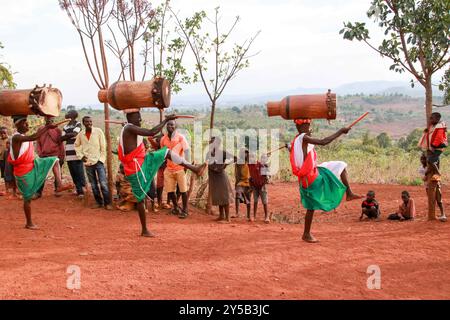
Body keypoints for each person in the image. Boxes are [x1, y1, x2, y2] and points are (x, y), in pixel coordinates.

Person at [118, 111, 206, 237]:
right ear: (131, 117)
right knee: (140, 199)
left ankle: (194, 168)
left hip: (142, 161)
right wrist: (166, 120)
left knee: (166, 152)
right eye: (138, 117)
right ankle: (144, 230)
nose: (140, 119)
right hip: (135, 169)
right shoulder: (129, 128)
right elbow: (151, 132)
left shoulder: (130, 127)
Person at [289, 118, 362, 243]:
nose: (310, 128)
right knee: (311, 207)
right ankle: (306, 234)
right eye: (309, 125)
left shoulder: (297, 139)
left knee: (340, 165)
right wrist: (340, 131)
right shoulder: (303, 138)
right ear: (305, 126)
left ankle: (349, 193)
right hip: (310, 178)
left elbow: (299, 154)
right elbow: (324, 142)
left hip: (311, 173)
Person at [7, 115, 72, 230]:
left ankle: (59, 185)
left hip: (32, 165)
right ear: (17, 125)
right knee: (27, 198)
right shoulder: (16, 137)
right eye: (24, 123)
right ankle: (29, 223)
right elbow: (34, 137)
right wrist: (47, 127)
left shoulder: (21, 137)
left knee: (54, 160)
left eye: (27, 122)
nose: (27, 124)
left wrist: (47, 127)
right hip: (23, 171)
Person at [74, 116, 113, 210]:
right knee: (94, 185)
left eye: (90, 121)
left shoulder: (98, 131)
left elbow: (103, 147)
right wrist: (81, 156)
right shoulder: (81, 134)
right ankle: (99, 202)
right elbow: (76, 146)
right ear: (83, 123)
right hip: (88, 163)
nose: (89, 123)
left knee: (103, 183)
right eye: (87, 122)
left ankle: (108, 203)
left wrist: (101, 159)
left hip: (98, 161)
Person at [160, 120, 191, 219]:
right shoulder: (163, 139)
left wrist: (186, 165)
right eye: (168, 124)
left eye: (172, 125)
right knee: (170, 191)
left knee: (183, 190)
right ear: (166, 126)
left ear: (175, 126)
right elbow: (163, 153)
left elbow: (187, 151)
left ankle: (185, 210)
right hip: (169, 169)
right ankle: (176, 208)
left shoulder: (180, 138)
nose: (170, 126)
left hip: (180, 168)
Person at [35, 117, 66, 199]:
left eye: (51, 119)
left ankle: (58, 189)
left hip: (55, 154)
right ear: (45, 119)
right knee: (42, 174)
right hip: (43, 155)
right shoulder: (41, 129)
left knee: (57, 172)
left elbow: (61, 143)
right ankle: (38, 192)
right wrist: (39, 152)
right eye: (48, 119)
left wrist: (62, 156)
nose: (49, 121)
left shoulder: (57, 130)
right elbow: (38, 142)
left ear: (54, 120)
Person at [206, 136, 234, 223]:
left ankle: (227, 218)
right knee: (218, 196)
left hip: (221, 177)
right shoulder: (208, 154)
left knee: (224, 197)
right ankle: (221, 216)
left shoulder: (223, 153)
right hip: (213, 177)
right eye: (210, 142)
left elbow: (235, 158)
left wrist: (225, 165)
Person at [61, 110, 86, 198]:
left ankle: (81, 191)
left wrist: (68, 135)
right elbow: (62, 138)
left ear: (73, 115)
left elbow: (75, 133)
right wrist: (70, 135)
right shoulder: (65, 126)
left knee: (78, 171)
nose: (66, 114)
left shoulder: (78, 124)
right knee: (73, 172)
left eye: (68, 113)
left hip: (77, 152)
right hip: (68, 153)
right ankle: (79, 189)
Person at [419, 153, 447, 222]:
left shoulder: (431, 165)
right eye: (421, 159)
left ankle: (443, 214)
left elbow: (436, 169)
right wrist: (427, 172)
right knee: (431, 201)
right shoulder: (421, 168)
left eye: (424, 159)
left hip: (436, 184)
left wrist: (431, 170)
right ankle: (433, 215)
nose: (423, 161)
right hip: (428, 186)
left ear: (427, 159)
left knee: (439, 200)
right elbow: (423, 179)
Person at [248, 152, 270, 223]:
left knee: (264, 201)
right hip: (254, 185)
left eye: (253, 157)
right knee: (255, 201)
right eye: (250, 158)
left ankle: (267, 217)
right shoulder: (250, 165)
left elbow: (266, 166)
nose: (251, 159)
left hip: (262, 185)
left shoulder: (260, 164)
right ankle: (254, 216)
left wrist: (266, 156)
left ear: (256, 158)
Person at [235, 148, 252, 221]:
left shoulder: (250, 162)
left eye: (246, 153)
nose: (245, 154)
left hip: (249, 183)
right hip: (241, 182)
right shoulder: (238, 163)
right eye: (243, 153)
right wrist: (236, 183)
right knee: (237, 194)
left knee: (248, 199)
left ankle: (248, 215)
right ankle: (237, 213)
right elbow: (237, 174)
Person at [0, 127, 8, 196]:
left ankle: (7, 189)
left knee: (6, 175)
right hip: (1, 160)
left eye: (4, 133)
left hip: (7, 160)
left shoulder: (9, 140)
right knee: (3, 175)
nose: (3, 134)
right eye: (1, 133)